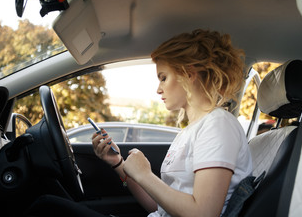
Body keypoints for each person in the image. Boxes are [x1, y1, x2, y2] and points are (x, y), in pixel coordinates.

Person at [92, 29, 253, 217]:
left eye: (163, 78)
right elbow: (158, 206)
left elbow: (204, 214)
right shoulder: (188, 132)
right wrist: (118, 163)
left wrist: (145, 174)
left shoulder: (218, 125)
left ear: (188, 74)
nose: (158, 89)